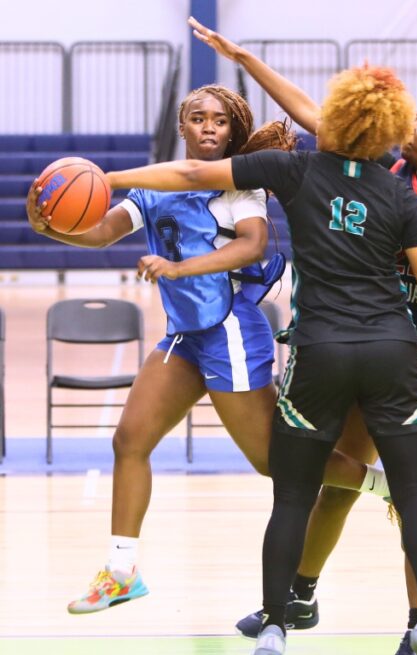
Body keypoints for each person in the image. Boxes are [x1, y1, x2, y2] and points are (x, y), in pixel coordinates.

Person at [100, 64, 417, 655]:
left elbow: (195, 173)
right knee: (416, 497)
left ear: (337, 119)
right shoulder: (398, 192)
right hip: (393, 352)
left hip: (320, 352)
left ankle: (276, 627)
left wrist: (110, 175)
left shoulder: (297, 170)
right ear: (384, 131)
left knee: (292, 493)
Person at [187, 17, 417, 655]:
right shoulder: (387, 168)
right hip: (368, 340)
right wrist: (244, 58)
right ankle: (298, 595)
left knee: (415, 498)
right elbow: (308, 111)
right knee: (334, 485)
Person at [25, 85, 349, 614]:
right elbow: (103, 230)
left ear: (231, 132)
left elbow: (253, 245)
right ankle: (122, 570)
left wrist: (177, 268)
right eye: (197, 118)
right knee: (130, 439)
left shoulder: (243, 185)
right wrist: (53, 226)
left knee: (274, 462)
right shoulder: (156, 186)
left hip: (229, 332)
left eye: (219, 121)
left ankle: (385, 485)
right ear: (183, 127)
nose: (207, 128)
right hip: (185, 335)